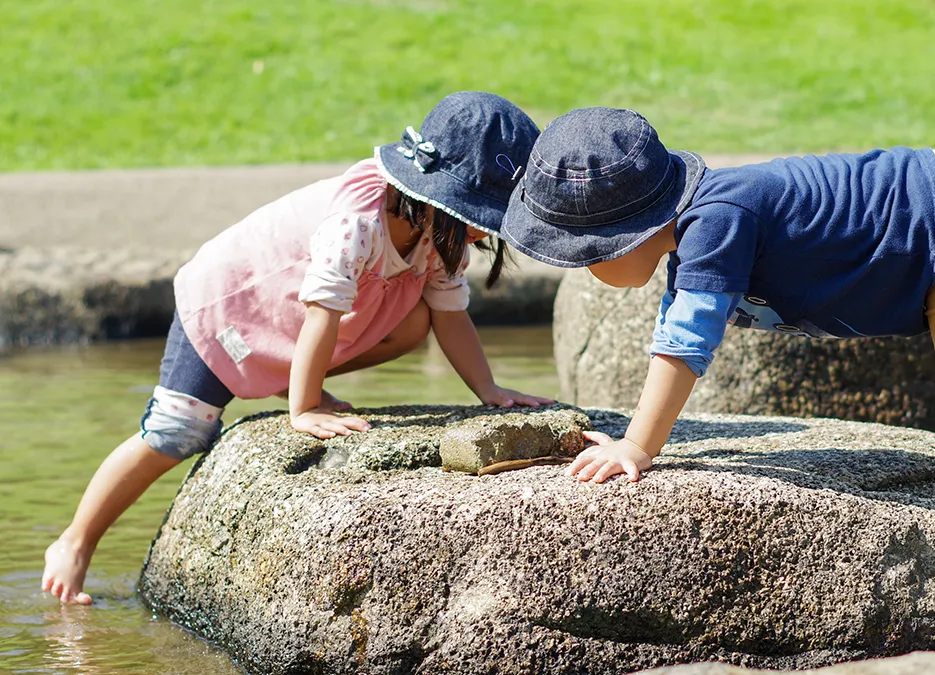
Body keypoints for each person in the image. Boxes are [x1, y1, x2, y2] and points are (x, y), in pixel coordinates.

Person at [500, 106, 935, 566]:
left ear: (631, 230)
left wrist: (638, 446)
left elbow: (684, 345)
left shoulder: (715, 220)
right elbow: (678, 321)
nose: (586, 270)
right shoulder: (704, 228)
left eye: (587, 252)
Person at [43, 92, 553, 604]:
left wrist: (488, 389)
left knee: (415, 322)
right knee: (177, 434)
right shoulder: (358, 222)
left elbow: (450, 314)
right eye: (479, 217)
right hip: (234, 307)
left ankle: (297, 380)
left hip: (300, 319)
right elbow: (322, 311)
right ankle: (75, 541)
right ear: (431, 197)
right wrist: (305, 407)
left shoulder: (440, 234)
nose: (482, 232)